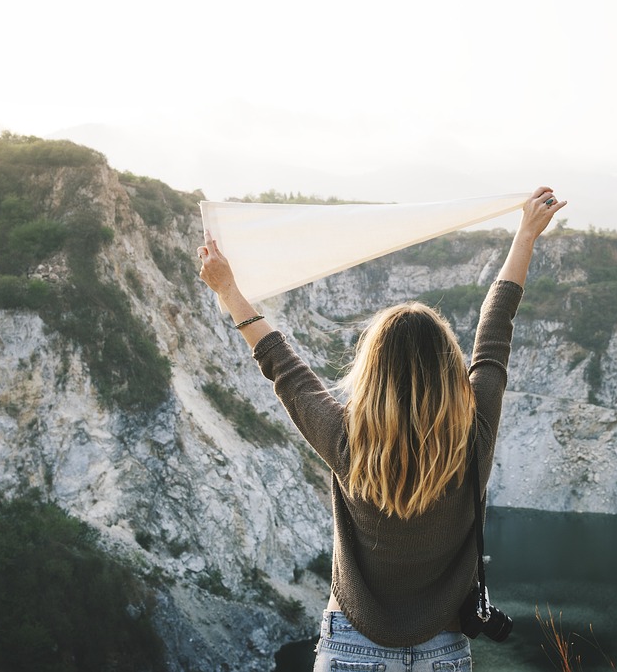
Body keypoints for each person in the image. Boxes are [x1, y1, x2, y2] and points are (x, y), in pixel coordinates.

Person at [197, 186, 566, 670]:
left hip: (351, 647)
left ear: (372, 372)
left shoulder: (347, 441)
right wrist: (525, 234)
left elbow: (283, 367)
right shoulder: (473, 435)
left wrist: (228, 290)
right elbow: (495, 331)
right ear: (448, 370)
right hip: (444, 650)